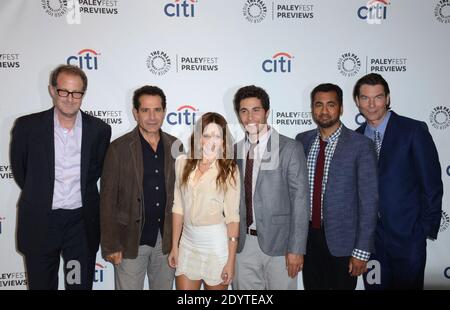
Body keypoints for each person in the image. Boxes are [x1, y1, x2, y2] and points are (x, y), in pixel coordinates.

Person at [10, 64, 111, 290]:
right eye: (64, 91)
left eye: (76, 93)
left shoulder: (99, 130)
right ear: (52, 90)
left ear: (83, 94)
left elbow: (94, 172)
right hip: (41, 223)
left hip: (79, 226)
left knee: (77, 285)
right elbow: (22, 172)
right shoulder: (28, 127)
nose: (69, 98)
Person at [353, 73, 443, 290]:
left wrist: (422, 230)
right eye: (365, 98)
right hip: (371, 242)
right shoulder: (354, 139)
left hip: (408, 238)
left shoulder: (413, 131)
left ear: (388, 98)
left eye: (378, 97)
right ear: (357, 101)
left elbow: (431, 184)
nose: (372, 104)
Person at [296, 83, 378, 290]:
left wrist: (361, 252)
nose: (324, 111)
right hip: (308, 241)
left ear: (340, 108)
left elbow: (369, 203)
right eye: (319, 105)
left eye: (331, 105)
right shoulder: (302, 141)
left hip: (344, 243)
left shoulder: (361, 145)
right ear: (312, 108)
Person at [100, 85, 182, 290]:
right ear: (136, 113)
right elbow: (107, 200)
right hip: (129, 241)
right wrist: (111, 245)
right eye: (145, 110)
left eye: (157, 110)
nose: (152, 116)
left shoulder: (176, 146)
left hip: (166, 241)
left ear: (164, 112)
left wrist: (180, 242)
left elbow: (183, 196)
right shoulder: (118, 148)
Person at [232, 85, 309, 290]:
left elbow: (301, 201)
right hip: (243, 245)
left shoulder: (290, 148)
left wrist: (296, 248)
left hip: (281, 246)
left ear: (267, 112)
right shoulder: (235, 150)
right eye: (244, 111)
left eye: (256, 110)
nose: (250, 117)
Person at [168, 112, 240, 290]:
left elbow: (232, 218)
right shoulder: (182, 163)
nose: (211, 141)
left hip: (215, 246)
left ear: (224, 141)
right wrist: (174, 247)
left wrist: (230, 261)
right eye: (206, 135)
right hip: (187, 244)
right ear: (198, 138)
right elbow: (178, 208)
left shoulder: (229, 169)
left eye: (217, 136)